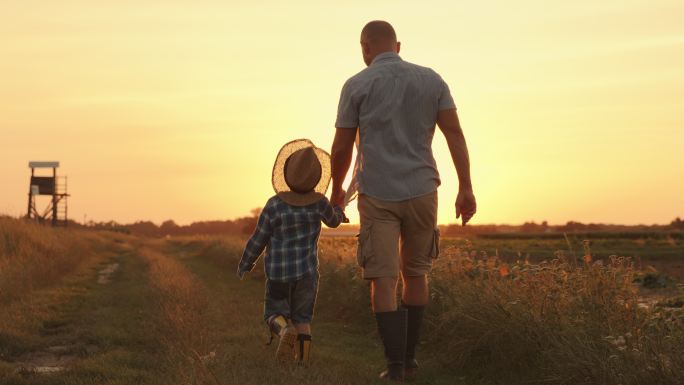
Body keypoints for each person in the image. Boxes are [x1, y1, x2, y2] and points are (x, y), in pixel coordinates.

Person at [330, 20, 477, 381]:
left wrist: (335, 195)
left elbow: (341, 148)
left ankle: (394, 368)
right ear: (397, 45)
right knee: (416, 274)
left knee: (383, 279)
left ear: (365, 48)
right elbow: (454, 134)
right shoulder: (432, 80)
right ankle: (410, 362)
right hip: (423, 190)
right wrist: (466, 187)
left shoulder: (356, 85)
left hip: (378, 195)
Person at [237, 139, 346, 365]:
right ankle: (303, 364)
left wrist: (246, 263)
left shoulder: (274, 205)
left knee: (273, 313)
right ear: (316, 178)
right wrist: (339, 207)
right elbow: (334, 221)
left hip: (278, 274)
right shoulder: (320, 203)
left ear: (286, 173)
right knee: (303, 317)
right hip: (306, 274)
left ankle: (284, 329)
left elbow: (259, 238)